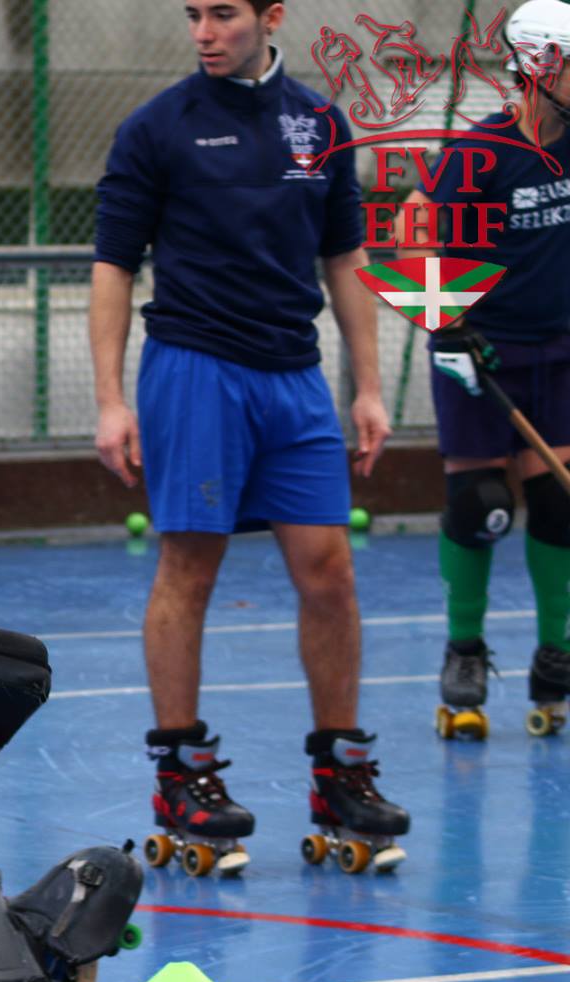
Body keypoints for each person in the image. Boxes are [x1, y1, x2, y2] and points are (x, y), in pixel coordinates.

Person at [89, 0, 408, 874]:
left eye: (223, 13)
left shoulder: (321, 124)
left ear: (271, 17)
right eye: (193, 14)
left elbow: (345, 260)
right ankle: (181, 775)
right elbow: (113, 266)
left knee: (329, 572)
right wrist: (111, 399)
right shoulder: (156, 128)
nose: (203, 31)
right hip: (195, 370)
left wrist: (369, 386)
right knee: (190, 567)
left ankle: (340, 772)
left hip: (294, 377)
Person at [407, 0, 570, 741]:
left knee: (559, 506)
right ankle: (464, 650)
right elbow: (413, 227)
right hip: (482, 349)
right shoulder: (483, 150)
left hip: (559, 351)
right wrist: (445, 323)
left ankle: (556, 653)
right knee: (480, 505)